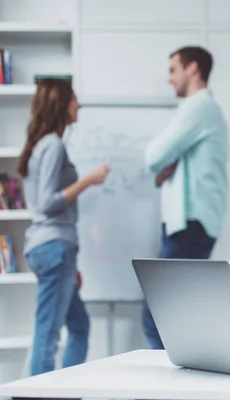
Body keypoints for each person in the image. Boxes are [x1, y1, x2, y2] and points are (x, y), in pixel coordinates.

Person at [18, 79, 110, 375]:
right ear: (61, 104)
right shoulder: (53, 145)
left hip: (55, 249)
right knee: (48, 333)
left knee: (79, 326)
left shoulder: (43, 144)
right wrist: (88, 180)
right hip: (54, 246)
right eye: (74, 100)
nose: (78, 105)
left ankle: (65, 392)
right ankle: (39, 396)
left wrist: (70, 266)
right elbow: (46, 203)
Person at [142, 46, 228, 349]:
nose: (169, 79)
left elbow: (154, 156)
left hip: (189, 226)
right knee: (177, 318)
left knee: (158, 317)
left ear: (193, 68)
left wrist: (167, 159)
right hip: (190, 226)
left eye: (172, 70)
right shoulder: (202, 111)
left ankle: (170, 393)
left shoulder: (199, 107)